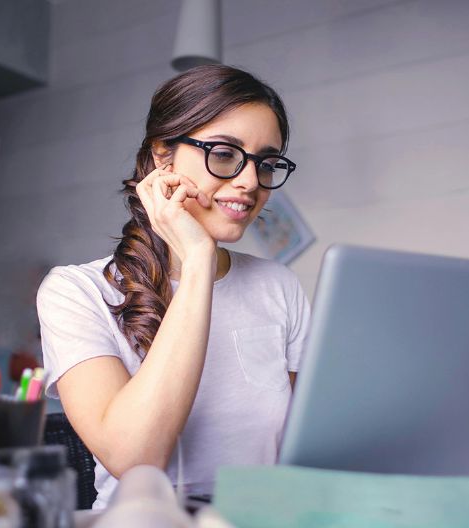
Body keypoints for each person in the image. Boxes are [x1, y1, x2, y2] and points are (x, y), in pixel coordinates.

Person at [37, 64, 310, 508]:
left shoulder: (280, 287)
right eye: (224, 153)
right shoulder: (76, 291)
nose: (249, 181)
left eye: (267, 162)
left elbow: (305, 448)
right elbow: (135, 457)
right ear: (163, 156)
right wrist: (199, 260)